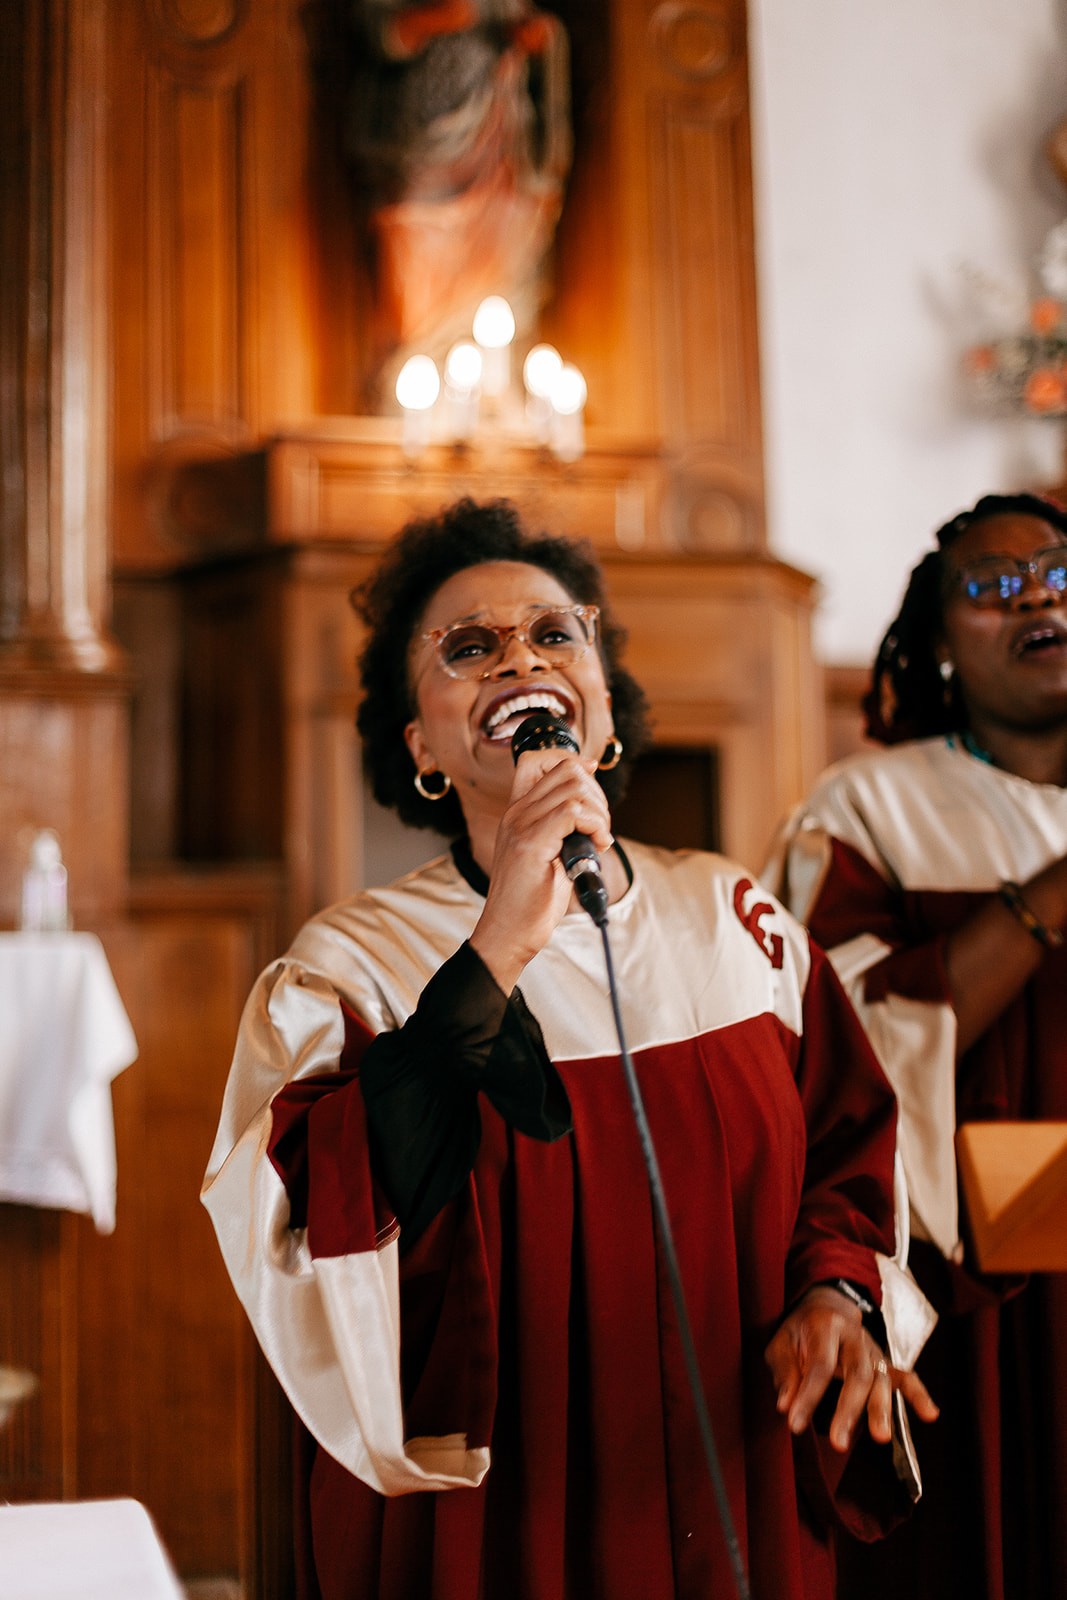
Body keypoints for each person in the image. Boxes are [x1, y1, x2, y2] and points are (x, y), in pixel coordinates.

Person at [202, 496, 935, 1600]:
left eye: (553, 633)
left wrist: (835, 1297)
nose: (518, 660)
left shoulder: (737, 918)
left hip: (724, 1463)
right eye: (467, 647)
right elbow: (316, 1216)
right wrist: (494, 942)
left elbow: (852, 1149)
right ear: (421, 748)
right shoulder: (347, 966)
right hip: (507, 1511)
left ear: (600, 715)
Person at [764, 491, 1067, 1600]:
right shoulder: (868, 806)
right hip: (979, 1280)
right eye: (989, 587)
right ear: (937, 645)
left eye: (1055, 573)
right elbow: (835, 1049)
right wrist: (1044, 897)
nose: (1036, 594)